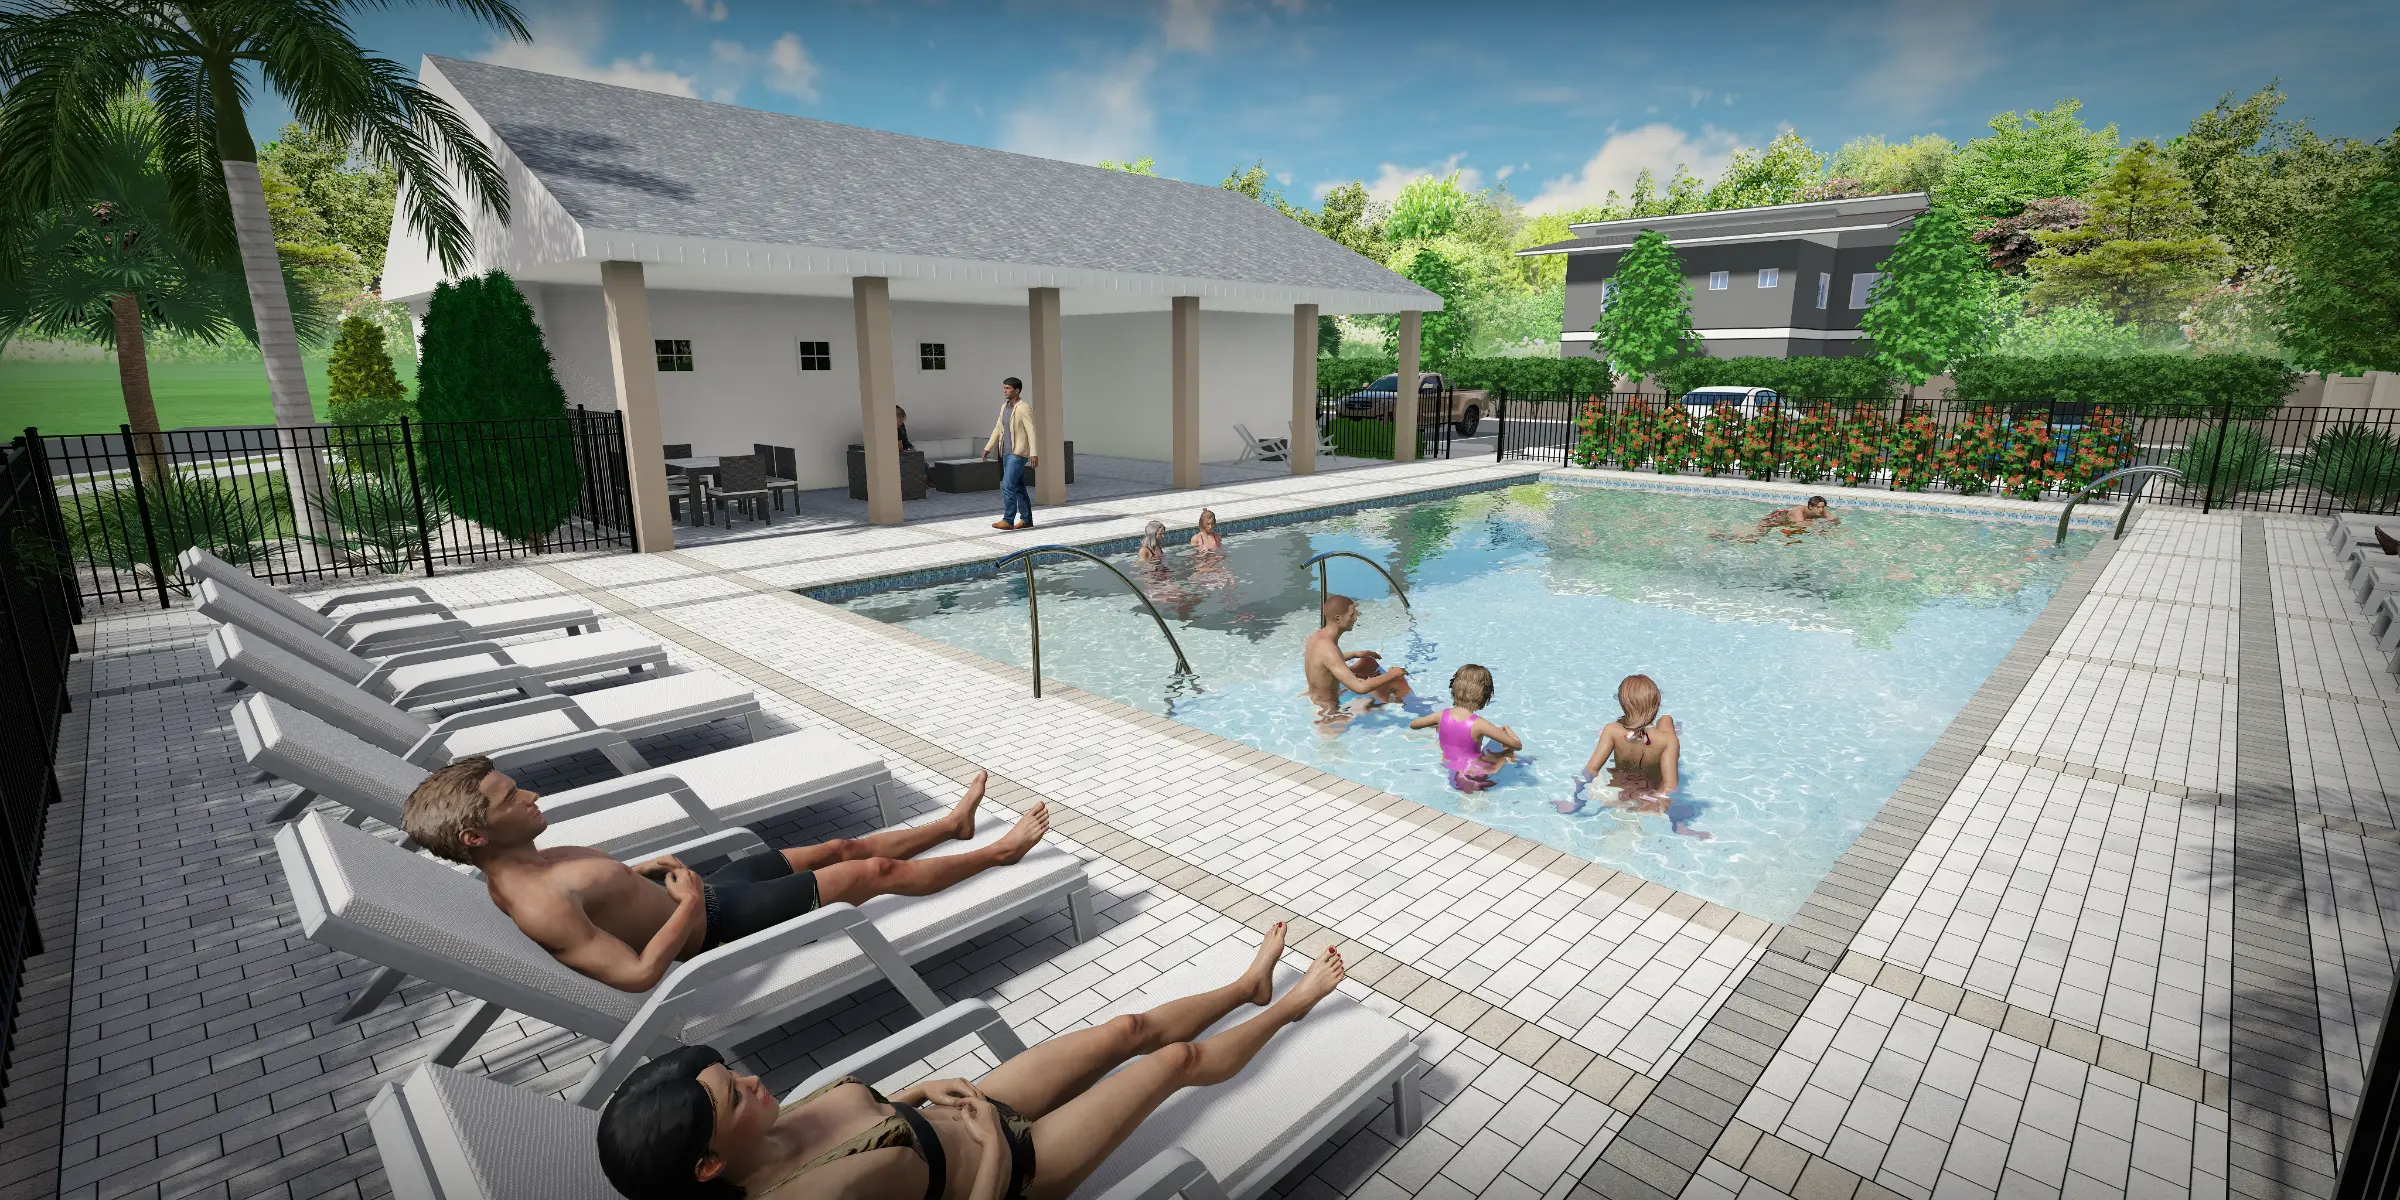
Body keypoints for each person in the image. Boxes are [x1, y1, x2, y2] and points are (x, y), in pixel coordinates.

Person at [595, 925, 1347, 1200]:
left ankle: (1246, 986)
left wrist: (921, 1088)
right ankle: (1288, 1006)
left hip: (965, 1105)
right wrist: (989, 1150)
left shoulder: (756, 1130)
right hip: (1017, 1163)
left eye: (732, 1074)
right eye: (734, 1096)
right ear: (706, 1166)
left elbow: (871, 1118)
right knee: (1174, 1059)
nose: (752, 1082)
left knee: (1128, 1028)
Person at [402, 762, 1049, 992]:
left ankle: (952, 826)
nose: (533, 795)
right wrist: (684, 908)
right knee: (869, 871)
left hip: (699, 890)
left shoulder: (526, 857)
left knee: (838, 844)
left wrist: (640, 875)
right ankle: (1000, 854)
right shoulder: (535, 903)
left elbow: (604, 897)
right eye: (514, 797)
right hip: (714, 922)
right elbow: (635, 975)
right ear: (477, 837)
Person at [1573, 674, 1706, 837]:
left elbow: (1591, 769)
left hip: (1621, 788)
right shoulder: (1669, 741)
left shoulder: (1612, 730)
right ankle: (1662, 724)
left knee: (1663, 723)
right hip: (1650, 791)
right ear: (1656, 704)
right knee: (1666, 720)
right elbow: (1670, 786)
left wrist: (1578, 795)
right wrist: (1652, 799)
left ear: (1623, 704)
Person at [1410, 664, 1522, 791]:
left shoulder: (1441, 715)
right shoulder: (1480, 724)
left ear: (1454, 687)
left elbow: (1413, 725)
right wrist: (1507, 729)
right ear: (1485, 694)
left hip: (1449, 765)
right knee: (1508, 752)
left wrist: (1439, 725)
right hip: (1476, 771)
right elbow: (1517, 745)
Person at [1303, 594, 1411, 725]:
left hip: (1319, 695)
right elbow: (1359, 688)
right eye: (1352, 615)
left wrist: (1356, 653)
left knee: (1368, 662)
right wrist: (1393, 674)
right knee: (1396, 682)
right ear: (1338, 618)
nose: (1356, 618)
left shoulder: (1316, 637)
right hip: (1330, 711)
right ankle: (1416, 713)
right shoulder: (1329, 649)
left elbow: (1323, 662)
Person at [982, 378, 1038, 530]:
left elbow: (1031, 431)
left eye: (1008, 388)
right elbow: (997, 428)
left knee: (1007, 485)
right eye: (1004, 388)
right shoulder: (1004, 407)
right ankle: (1026, 520)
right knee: (1019, 486)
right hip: (1005, 453)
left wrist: (1033, 453)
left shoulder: (1023, 408)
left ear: (1017, 390)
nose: (1004, 391)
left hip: (1017, 453)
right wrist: (988, 448)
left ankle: (1008, 519)